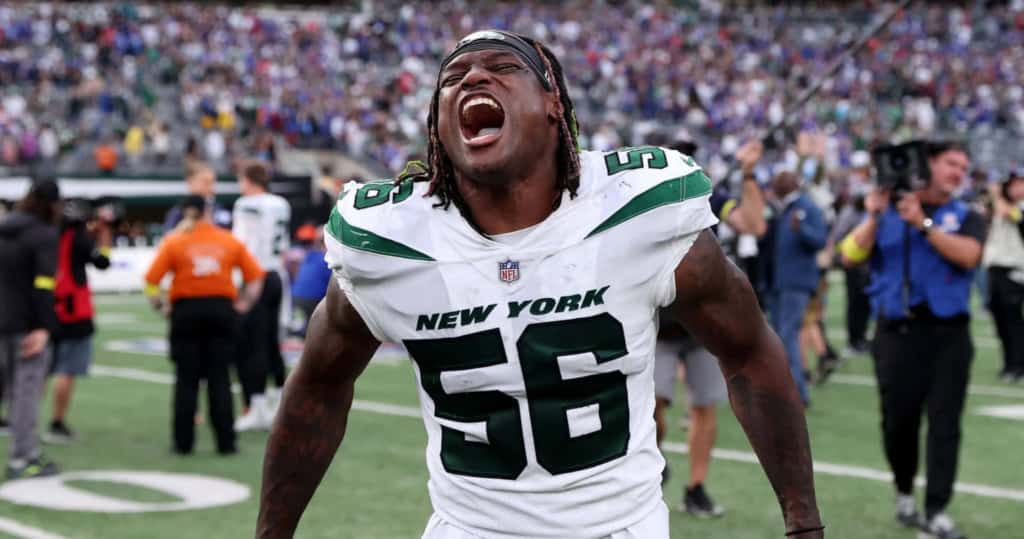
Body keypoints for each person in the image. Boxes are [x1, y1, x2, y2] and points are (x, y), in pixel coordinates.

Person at [257, 30, 822, 539]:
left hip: (619, 526)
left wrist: (803, 523)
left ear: (554, 104)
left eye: (502, 67)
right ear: (437, 123)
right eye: (452, 78)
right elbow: (318, 386)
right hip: (468, 528)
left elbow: (747, 353)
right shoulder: (389, 239)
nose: (472, 78)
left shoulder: (635, 209)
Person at [840, 141, 983, 539]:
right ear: (929, 165)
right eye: (951, 163)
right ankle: (904, 490)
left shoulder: (966, 214)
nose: (958, 172)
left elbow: (969, 255)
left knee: (944, 424)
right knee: (897, 423)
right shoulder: (885, 213)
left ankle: (936, 509)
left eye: (963, 165)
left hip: (949, 335)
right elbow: (849, 256)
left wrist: (923, 222)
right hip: (897, 334)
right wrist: (873, 215)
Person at [652, 138, 766, 518]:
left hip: (703, 324)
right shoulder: (638, 206)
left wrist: (748, 173)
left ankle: (696, 487)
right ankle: (653, 461)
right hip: (659, 324)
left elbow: (755, 224)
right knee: (652, 406)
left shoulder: (710, 201)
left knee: (704, 406)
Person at [144, 195, 265, 455]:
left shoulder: (174, 242)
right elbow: (255, 278)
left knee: (186, 382)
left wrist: (161, 306)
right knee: (220, 380)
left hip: (186, 313)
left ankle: (183, 443)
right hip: (221, 312)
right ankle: (226, 443)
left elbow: (151, 281)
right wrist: (243, 304)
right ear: (207, 211)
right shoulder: (227, 240)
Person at [0, 179, 61, 479]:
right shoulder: (43, 235)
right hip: (25, 323)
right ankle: (22, 458)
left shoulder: (5, 227)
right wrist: (42, 326)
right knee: (25, 392)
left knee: (9, 389)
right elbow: (43, 285)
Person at [44, 199, 111, 443]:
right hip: (74, 312)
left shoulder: (49, 235)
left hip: (48, 307)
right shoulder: (80, 238)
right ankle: (57, 422)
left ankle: (22, 419)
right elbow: (102, 263)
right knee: (67, 370)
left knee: (40, 370)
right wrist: (104, 240)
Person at [231, 162, 291, 431]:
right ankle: (282, 401)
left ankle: (257, 407)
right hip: (276, 276)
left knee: (251, 344)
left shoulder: (246, 205)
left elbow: (240, 243)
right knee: (271, 343)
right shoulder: (281, 204)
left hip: (255, 276)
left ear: (248, 179)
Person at [766, 170, 828, 406]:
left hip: (795, 281)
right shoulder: (783, 207)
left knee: (787, 335)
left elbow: (820, 240)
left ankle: (797, 392)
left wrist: (801, 228)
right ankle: (788, 389)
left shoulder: (806, 208)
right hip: (780, 280)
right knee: (781, 336)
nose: (777, 184)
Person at [983, 169, 1024, 382]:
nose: (1017, 188)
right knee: (1000, 320)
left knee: (1014, 321)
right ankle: (1008, 363)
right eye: (1014, 184)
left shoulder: (1016, 207)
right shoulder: (998, 205)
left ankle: (1018, 365)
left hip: (1014, 271)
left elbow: (1010, 214)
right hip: (995, 269)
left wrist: (996, 194)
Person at [162, 162, 232, 232]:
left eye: (212, 182)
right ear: (190, 182)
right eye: (206, 182)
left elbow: (227, 236)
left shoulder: (220, 210)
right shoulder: (177, 212)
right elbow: (168, 237)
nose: (211, 188)